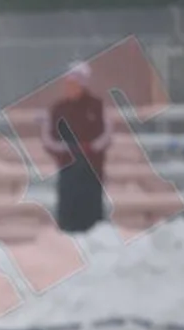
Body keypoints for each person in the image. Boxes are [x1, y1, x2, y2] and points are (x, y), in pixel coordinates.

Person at [42, 61, 111, 233]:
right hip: (68, 169)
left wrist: (89, 148)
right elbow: (49, 139)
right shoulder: (58, 109)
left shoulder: (97, 106)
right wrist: (67, 149)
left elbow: (105, 135)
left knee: (91, 217)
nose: (70, 87)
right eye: (68, 83)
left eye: (74, 83)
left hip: (92, 169)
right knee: (68, 217)